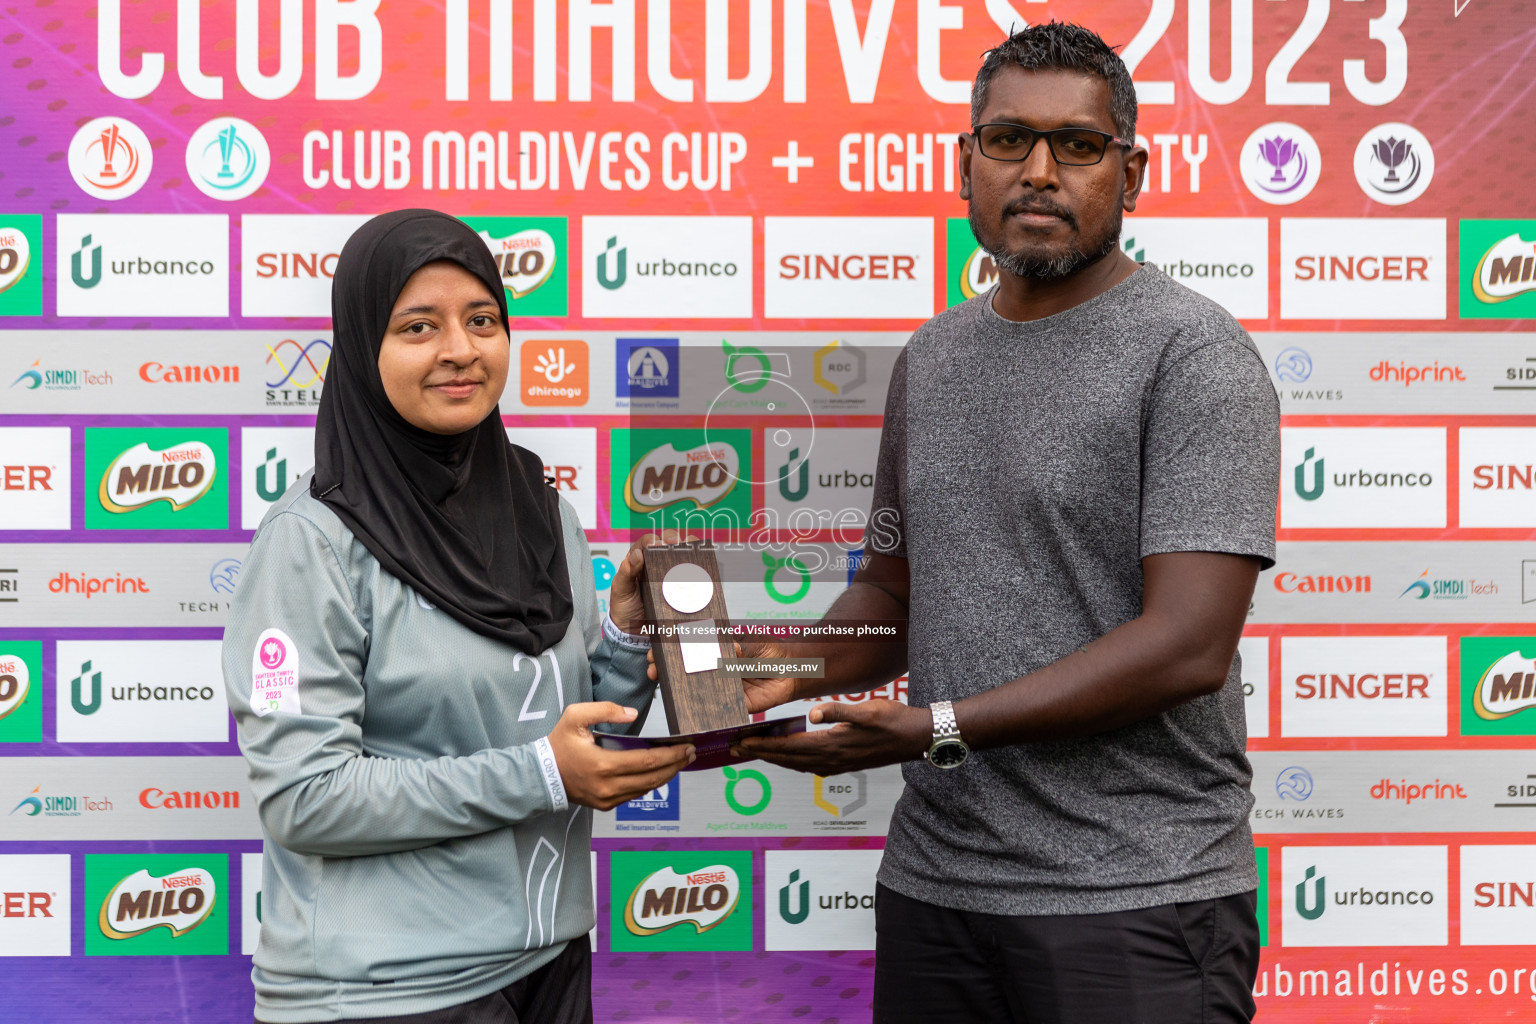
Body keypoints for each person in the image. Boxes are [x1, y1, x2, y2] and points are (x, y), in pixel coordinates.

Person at [730, 23, 1280, 1024]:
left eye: (1076, 146)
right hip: (939, 890)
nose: (1037, 172)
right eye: (1007, 140)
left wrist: (936, 728)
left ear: (1133, 170)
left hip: (1136, 900)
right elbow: (893, 597)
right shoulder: (932, 357)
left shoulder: (1194, 355)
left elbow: (1187, 646)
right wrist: (753, 676)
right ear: (965, 163)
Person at [223, 209, 691, 1024]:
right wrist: (541, 773)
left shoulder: (541, 509)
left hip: (548, 962)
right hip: (385, 994)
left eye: (482, 321)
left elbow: (577, 730)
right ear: (364, 346)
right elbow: (306, 796)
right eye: (417, 326)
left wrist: (622, 636)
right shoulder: (313, 540)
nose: (460, 350)